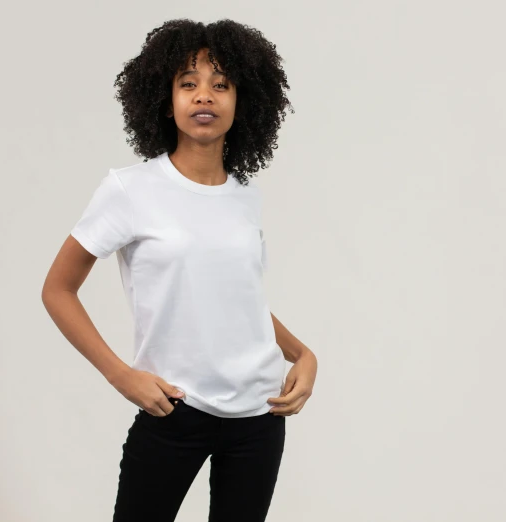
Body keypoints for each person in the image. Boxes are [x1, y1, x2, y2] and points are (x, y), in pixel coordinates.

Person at [41, 18, 317, 522]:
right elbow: (58, 290)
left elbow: (240, 301)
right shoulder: (129, 190)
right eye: (188, 83)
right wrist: (121, 376)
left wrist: (303, 354)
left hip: (259, 416)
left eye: (220, 84)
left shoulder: (244, 199)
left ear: (243, 101)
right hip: (173, 409)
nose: (203, 95)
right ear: (165, 99)